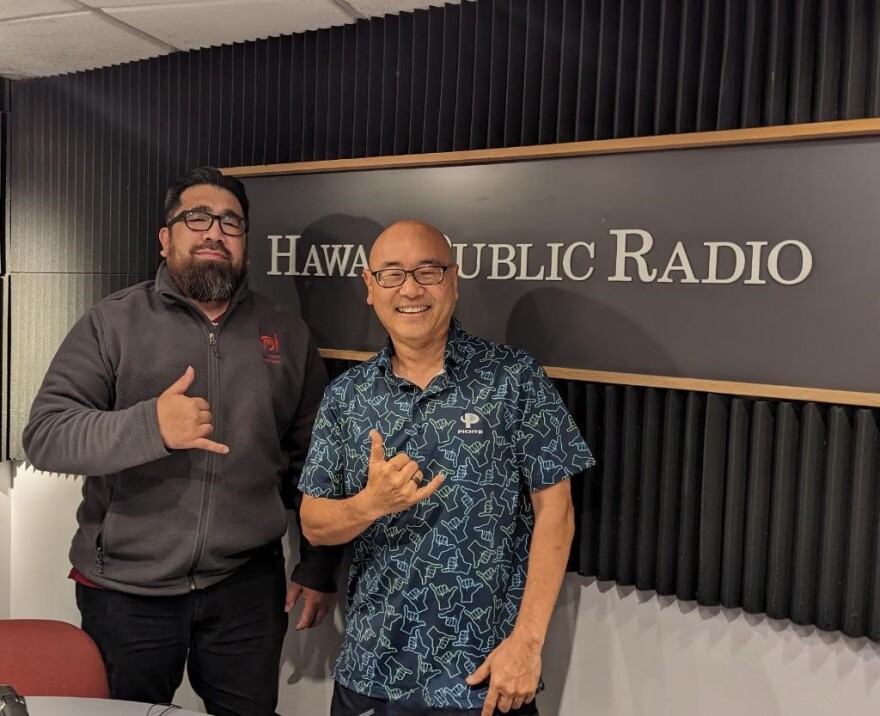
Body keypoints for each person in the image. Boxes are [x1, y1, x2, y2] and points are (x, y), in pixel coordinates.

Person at [22, 167, 341, 716]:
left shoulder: (286, 332)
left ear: (244, 242)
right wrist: (151, 427)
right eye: (197, 218)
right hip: (127, 592)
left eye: (231, 223)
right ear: (166, 237)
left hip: (246, 589)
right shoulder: (112, 322)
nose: (214, 232)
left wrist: (317, 566)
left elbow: (312, 460)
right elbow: (47, 434)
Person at [298, 220, 595, 716]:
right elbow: (314, 524)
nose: (410, 289)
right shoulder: (345, 397)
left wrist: (527, 643)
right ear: (370, 289)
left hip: (484, 678)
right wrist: (369, 504)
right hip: (373, 671)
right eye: (391, 275)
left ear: (453, 281)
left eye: (427, 271)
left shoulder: (513, 378)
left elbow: (556, 512)